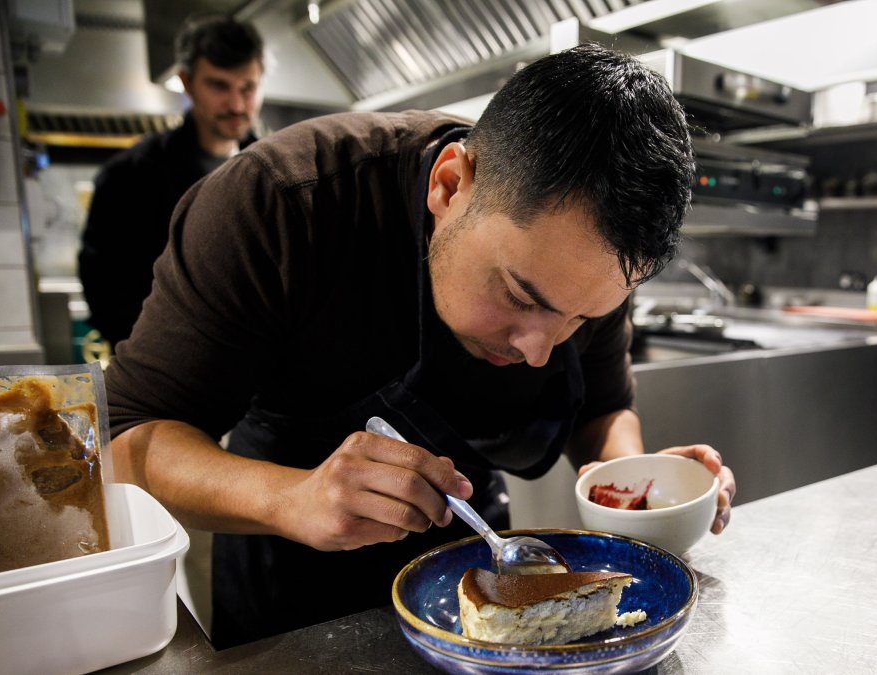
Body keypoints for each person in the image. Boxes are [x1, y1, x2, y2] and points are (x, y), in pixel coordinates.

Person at [105, 43, 737, 648]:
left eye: (580, 318)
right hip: (288, 588)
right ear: (449, 184)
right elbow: (127, 442)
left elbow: (603, 408)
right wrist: (290, 497)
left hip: (487, 570)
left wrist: (626, 482)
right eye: (522, 297)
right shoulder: (278, 203)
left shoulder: (593, 253)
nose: (541, 351)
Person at [78, 14, 264, 346]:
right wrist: (144, 358)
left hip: (257, 369)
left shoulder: (273, 173)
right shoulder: (131, 176)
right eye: (219, 85)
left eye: (247, 87)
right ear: (188, 82)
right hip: (166, 368)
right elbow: (103, 280)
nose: (237, 104)